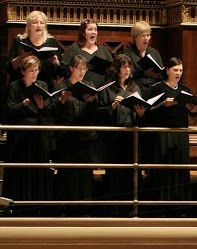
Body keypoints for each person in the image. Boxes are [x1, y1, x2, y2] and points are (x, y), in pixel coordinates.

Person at [144, 58, 197, 216]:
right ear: (167, 70)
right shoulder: (157, 88)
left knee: (180, 170)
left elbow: (193, 114)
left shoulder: (184, 89)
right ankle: (162, 208)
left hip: (181, 133)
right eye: (175, 70)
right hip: (163, 134)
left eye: (180, 70)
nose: (178, 73)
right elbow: (147, 112)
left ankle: (180, 208)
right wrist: (163, 105)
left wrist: (193, 109)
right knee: (164, 171)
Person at [98, 53, 146, 217]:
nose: (127, 70)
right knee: (115, 174)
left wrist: (141, 114)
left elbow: (141, 113)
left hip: (131, 136)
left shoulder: (135, 88)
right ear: (117, 69)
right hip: (114, 137)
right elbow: (100, 114)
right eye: (124, 67)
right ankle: (113, 209)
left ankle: (131, 208)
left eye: (129, 67)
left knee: (131, 173)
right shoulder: (108, 88)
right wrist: (112, 106)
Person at [4, 55, 53, 214]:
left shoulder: (42, 85)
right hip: (20, 135)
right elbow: (9, 110)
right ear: (23, 71)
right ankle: (18, 206)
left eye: (36, 70)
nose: (34, 73)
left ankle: (38, 206)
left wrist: (41, 107)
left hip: (37, 134)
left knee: (37, 170)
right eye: (31, 70)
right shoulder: (15, 86)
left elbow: (48, 112)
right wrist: (24, 103)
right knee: (20, 169)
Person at [51, 55, 98, 216]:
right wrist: (62, 100)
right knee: (66, 173)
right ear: (71, 68)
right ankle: (65, 208)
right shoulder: (61, 86)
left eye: (84, 68)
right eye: (79, 68)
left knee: (84, 174)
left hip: (84, 137)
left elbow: (95, 113)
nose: (82, 71)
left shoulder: (89, 85)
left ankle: (84, 207)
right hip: (66, 137)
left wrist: (92, 102)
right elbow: (53, 112)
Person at [6, 11, 60, 89]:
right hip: (22, 86)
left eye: (42, 23)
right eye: (35, 23)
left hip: (44, 85)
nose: (39, 26)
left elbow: (58, 72)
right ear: (29, 26)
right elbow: (8, 68)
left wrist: (56, 63)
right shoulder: (19, 41)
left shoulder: (52, 42)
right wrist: (22, 57)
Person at [61, 20, 113, 88]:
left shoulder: (103, 50)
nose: (93, 32)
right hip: (79, 89)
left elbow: (112, 70)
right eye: (90, 29)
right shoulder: (73, 49)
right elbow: (64, 70)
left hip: (101, 90)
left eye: (95, 30)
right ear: (83, 33)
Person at [124, 21, 163, 98]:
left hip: (154, 85)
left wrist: (158, 74)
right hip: (136, 86)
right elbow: (125, 73)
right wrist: (144, 73)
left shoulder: (154, 52)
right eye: (143, 36)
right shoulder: (127, 53)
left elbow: (161, 71)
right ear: (135, 38)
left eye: (148, 35)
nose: (146, 39)